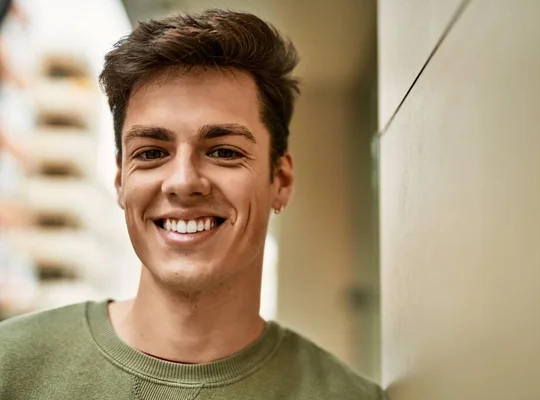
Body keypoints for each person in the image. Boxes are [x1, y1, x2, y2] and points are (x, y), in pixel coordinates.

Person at [0, 9, 387, 399]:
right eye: (151, 153)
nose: (183, 182)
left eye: (223, 151)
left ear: (281, 180)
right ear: (120, 180)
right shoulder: (9, 367)